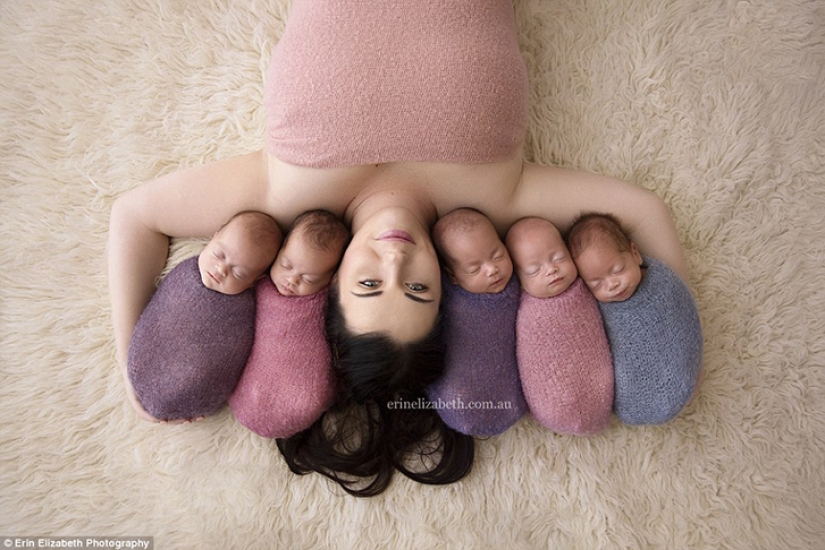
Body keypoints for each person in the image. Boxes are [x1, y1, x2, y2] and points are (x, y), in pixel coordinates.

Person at [109, 0, 689, 495]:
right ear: (445, 282)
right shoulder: (500, 197)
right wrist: (671, 326)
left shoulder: (279, 195)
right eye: (417, 288)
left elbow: (134, 216)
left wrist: (131, 365)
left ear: (331, 283)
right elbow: (645, 212)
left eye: (368, 284)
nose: (393, 258)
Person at [127, 211, 282, 422]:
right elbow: (160, 314)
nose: (221, 270)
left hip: (194, 375)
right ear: (214, 237)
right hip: (146, 361)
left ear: (254, 281)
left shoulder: (241, 312)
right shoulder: (185, 274)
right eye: (219, 255)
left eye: (239, 273)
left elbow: (235, 352)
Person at [566, 213, 703, 425]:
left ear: (635, 254)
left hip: (676, 369)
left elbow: (681, 322)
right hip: (631, 384)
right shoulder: (600, 310)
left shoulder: (663, 284)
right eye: (597, 284)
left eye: (618, 270)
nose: (612, 284)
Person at [229, 210, 349, 438]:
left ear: (331, 278)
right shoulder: (259, 283)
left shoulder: (324, 300)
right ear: (279, 250)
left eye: (309, 279)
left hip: (301, 371)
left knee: (311, 395)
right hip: (260, 371)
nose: (292, 280)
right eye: (286, 265)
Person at [505, 217, 614, 435]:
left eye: (558, 257)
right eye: (535, 270)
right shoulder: (527, 311)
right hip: (553, 396)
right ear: (519, 279)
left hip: (595, 379)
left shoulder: (587, 285)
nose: (551, 270)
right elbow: (529, 357)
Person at [424, 208, 527, 437]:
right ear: (452, 276)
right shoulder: (449, 294)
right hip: (460, 387)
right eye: (474, 269)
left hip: (507, 386)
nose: (492, 270)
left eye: (498, 254)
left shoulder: (521, 278)